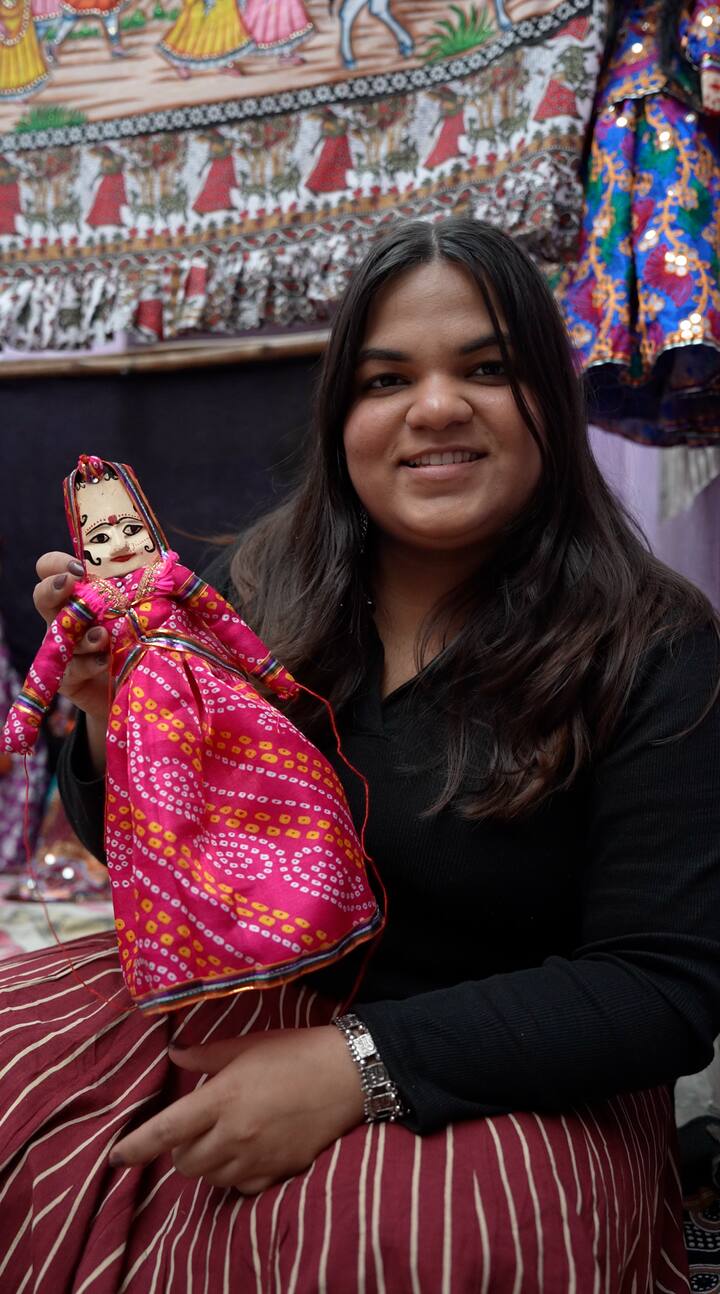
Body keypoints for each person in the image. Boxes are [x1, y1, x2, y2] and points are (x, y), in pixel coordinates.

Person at [1, 216, 719, 1291]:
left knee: (398, 1244)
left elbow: (661, 985)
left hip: (510, 1075)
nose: (436, 408)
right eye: (387, 380)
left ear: (552, 402)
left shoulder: (654, 649)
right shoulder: (259, 587)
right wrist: (114, 717)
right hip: (232, 1011)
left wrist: (356, 1066)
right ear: (342, 417)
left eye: (487, 369)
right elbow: (162, 867)